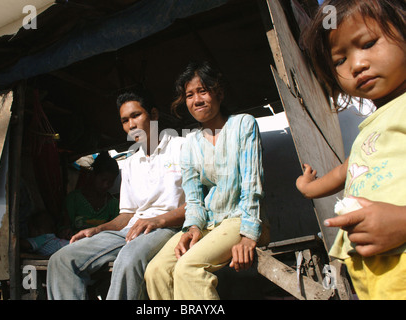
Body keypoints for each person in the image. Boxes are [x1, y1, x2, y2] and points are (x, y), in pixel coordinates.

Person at [296, 0, 406, 299]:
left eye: (368, 43)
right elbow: (349, 170)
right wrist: (308, 187)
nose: (357, 65)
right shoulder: (370, 129)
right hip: (370, 274)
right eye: (340, 60)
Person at [144, 61, 269, 300]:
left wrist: (249, 235)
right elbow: (193, 199)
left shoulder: (243, 124)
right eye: (189, 95)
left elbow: (252, 186)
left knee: (188, 269)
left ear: (218, 93)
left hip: (240, 218)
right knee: (156, 271)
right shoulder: (190, 143)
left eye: (203, 91)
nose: (196, 100)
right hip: (208, 225)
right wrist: (192, 228)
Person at [46, 90, 186, 300]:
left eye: (136, 115)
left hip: (168, 228)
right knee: (62, 259)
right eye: (124, 120)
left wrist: (158, 220)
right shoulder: (130, 163)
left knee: (128, 259)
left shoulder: (182, 147)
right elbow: (127, 215)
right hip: (132, 230)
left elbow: (198, 202)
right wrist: (98, 229)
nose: (131, 125)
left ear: (154, 114)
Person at [58, 152, 120, 239]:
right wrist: (66, 231)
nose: (106, 185)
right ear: (93, 175)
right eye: (103, 180)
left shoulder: (113, 204)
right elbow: (64, 226)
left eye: (110, 182)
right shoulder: (74, 199)